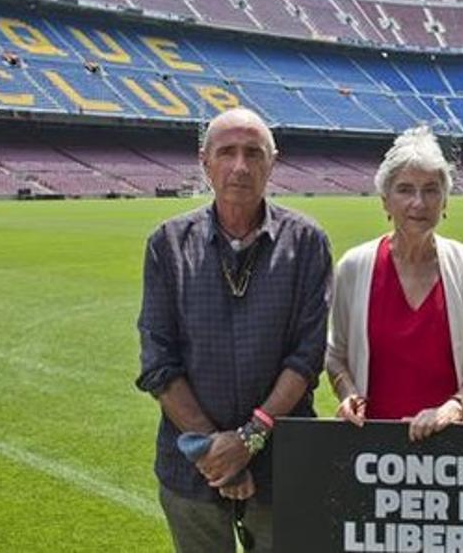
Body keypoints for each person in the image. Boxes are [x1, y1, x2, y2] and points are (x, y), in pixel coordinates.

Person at [135, 108, 332, 553]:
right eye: (226, 152)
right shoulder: (167, 245)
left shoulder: (306, 243)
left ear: (272, 162)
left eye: (252, 153)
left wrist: (249, 439)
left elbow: (306, 356)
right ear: (205, 162)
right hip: (192, 468)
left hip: (284, 465)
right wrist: (215, 450)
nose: (240, 166)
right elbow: (158, 362)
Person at [326, 126, 463, 441]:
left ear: (445, 201)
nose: (418, 202)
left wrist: (455, 407)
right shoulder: (353, 266)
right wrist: (348, 394)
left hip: (453, 442)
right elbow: (335, 357)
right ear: (385, 201)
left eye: (431, 190)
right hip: (372, 445)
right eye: (405, 189)